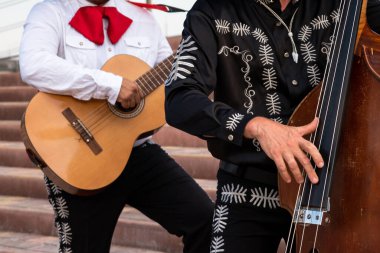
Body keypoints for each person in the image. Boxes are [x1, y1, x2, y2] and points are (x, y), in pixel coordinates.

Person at [165, 0, 380, 252]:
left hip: (336, 187)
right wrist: (255, 125)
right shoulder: (211, 11)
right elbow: (179, 98)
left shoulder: (352, 4)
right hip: (246, 190)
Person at [19, 0, 214, 252]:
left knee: (205, 220)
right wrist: (109, 85)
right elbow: (34, 65)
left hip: (138, 152)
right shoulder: (50, 11)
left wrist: (208, 64)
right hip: (78, 157)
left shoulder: (144, 19)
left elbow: (173, 78)